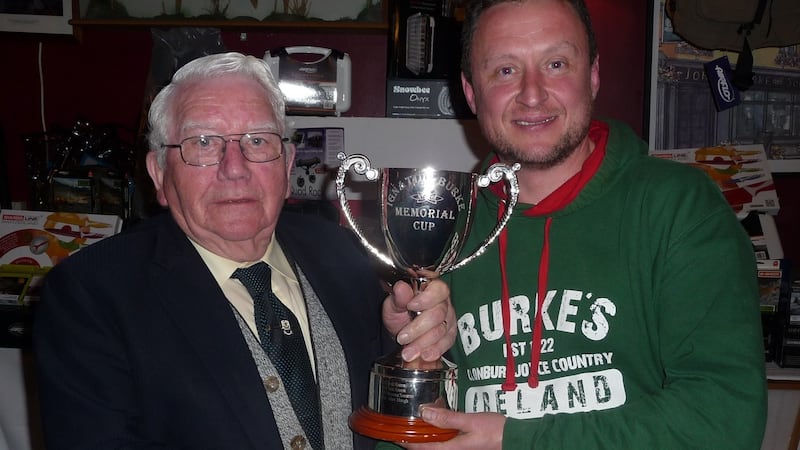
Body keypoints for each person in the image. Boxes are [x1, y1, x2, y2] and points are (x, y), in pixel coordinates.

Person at [33, 52, 456, 450]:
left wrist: (405, 336)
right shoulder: (91, 295)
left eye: (256, 141)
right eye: (202, 143)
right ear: (159, 173)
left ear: (288, 166)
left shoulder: (341, 254)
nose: (234, 168)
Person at [399, 0, 767, 448]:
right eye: (505, 71)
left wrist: (519, 440)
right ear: (471, 92)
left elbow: (725, 417)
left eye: (556, 63)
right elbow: (415, 422)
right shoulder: (443, 225)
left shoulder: (680, 208)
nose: (533, 94)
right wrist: (412, 348)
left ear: (592, 75)